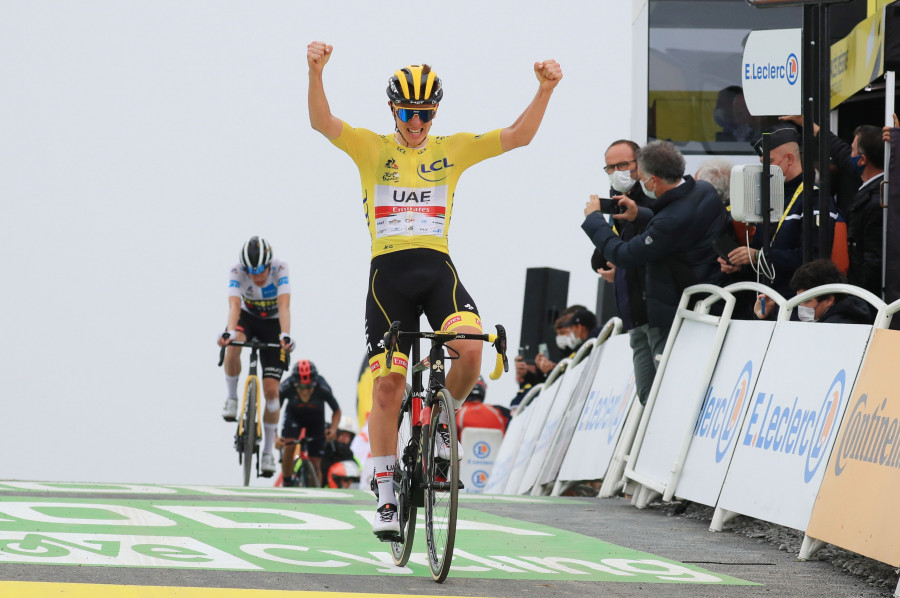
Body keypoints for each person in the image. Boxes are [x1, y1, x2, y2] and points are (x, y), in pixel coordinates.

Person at [307, 40, 562, 537]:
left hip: (438, 269)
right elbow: (323, 122)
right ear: (393, 109)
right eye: (408, 112)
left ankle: (443, 424)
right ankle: (383, 490)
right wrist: (316, 72)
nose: (417, 122)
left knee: (471, 350)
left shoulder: (453, 148)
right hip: (389, 278)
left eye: (425, 112)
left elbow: (519, 136)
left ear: (435, 110)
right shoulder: (372, 146)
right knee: (388, 387)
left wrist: (545, 88)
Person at [582, 140, 730, 368]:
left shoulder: (669, 219)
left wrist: (594, 221)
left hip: (678, 313)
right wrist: (638, 214)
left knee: (662, 393)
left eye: (641, 178)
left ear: (654, 180)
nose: (640, 182)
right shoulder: (704, 189)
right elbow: (678, 228)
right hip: (702, 303)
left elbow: (624, 255)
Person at [719, 127, 839, 302]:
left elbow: (813, 257)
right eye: (762, 164)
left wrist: (757, 257)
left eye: (770, 162)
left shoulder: (815, 198)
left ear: (789, 159)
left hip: (797, 300)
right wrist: (741, 263)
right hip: (765, 298)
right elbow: (760, 250)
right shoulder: (770, 198)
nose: (765, 169)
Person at [779, 115, 884, 297]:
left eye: (853, 151)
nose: (847, 155)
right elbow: (839, 150)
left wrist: (855, 297)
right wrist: (807, 124)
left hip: (867, 297)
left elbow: (873, 262)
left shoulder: (878, 202)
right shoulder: (873, 184)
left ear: (862, 160)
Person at [218, 236, 293, 476]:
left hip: (272, 324)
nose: (257, 277)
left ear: (270, 265)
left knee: (272, 391)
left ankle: (269, 451)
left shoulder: (281, 268)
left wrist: (285, 335)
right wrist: (229, 332)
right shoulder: (237, 271)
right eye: (252, 273)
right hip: (248, 320)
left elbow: (284, 306)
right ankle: (231, 397)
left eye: (261, 272)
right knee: (234, 343)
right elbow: (234, 307)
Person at [591, 139, 657, 405]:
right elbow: (606, 255)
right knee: (646, 396)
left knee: (661, 393)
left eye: (623, 165)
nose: (616, 171)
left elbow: (643, 246)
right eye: (610, 167)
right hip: (632, 313)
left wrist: (595, 223)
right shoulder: (617, 202)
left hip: (656, 308)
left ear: (639, 165)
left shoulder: (653, 198)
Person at [278, 359, 341, 487]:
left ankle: (315, 489)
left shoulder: (322, 387)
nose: (305, 391)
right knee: (289, 446)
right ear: (295, 384)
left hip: (316, 421)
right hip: (294, 417)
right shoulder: (287, 386)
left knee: (315, 462)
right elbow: (272, 411)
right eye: (301, 386)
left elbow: (337, 411)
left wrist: (333, 429)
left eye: (309, 386)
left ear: (315, 383)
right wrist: (274, 437)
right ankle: (287, 480)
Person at [754, 259, 875, 324]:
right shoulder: (821, 319)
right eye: (798, 301)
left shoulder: (841, 327)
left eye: (807, 301)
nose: (801, 307)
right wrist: (767, 315)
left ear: (829, 300)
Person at [319, 416, 358, 488]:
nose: (344, 438)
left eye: (347, 436)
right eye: (342, 434)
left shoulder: (350, 456)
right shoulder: (325, 450)